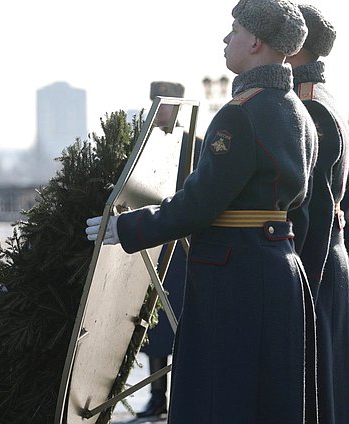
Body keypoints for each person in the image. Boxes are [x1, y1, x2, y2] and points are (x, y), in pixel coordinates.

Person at [86, 0, 319, 422]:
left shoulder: (240, 114)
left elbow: (199, 203)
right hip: (283, 269)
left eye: (235, 30)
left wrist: (128, 227)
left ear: (256, 42)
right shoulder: (299, 113)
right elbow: (299, 208)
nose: (226, 38)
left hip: (232, 275)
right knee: (271, 402)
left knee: (218, 398)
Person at [287, 5, 349, 423]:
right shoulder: (320, 98)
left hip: (318, 262)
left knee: (318, 392)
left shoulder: (308, 107)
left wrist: (298, 285)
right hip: (329, 255)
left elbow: (314, 208)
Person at [137, 81, 203, 419]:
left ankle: (184, 395)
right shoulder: (140, 144)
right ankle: (156, 395)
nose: (160, 109)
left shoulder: (197, 145)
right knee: (153, 325)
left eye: (167, 104)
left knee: (183, 321)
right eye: (156, 103)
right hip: (150, 244)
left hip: (185, 249)